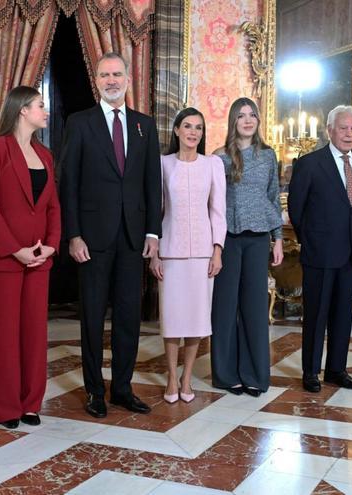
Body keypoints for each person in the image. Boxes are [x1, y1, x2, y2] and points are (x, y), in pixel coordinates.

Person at [59, 52, 162, 418]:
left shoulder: (144, 125)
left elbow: (152, 182)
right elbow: (67, 183)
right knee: (91, 317)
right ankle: (93, 391)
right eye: (105, 75)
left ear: (128, 79)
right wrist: (73, 234)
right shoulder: (80, 122)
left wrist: (153, 231)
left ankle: (122, 388)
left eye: (117, 74)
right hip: (93, 238)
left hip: (134, 237)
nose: (112, 80)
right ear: (96, 80)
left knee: (129, 317)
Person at [0, 86, 60, 428]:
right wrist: (15, 249)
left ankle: (30, 403)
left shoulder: (46, 154)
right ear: (22, 110)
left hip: (40, 257)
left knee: (34, 333)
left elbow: (53, 205)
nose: (46, 110)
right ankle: (7, 407)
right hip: (4, 258)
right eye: (41, 105)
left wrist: (52, 244)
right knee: (4, 335)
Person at [288, 105, 352, 393]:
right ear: (330, 130)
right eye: (343, 128)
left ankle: (337, 369)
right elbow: (296, 209)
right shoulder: (310, 163)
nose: (348, 134)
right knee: (316, 314)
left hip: (351, 253)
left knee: (343, 315)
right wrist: (310, 239)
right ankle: (311, 371)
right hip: (320, 253)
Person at [148, 107, 226, 404]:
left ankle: (186, 377)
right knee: (172, 319)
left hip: (203, 254)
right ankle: (170, 376)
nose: (194, 132)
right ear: (177, 130)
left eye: (199, 128)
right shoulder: (162, 164)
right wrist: (154, 253)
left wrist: (217, 249)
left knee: (195, 319)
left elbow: (217, 210)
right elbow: (156, 211)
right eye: (188, 126)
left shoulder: (213, 165)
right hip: (170, 251)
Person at [210, 97, 284, 397]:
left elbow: (273, 196)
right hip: (227, 237)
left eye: (252, 114)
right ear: (233, 121)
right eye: (241, 116)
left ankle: (255, 374)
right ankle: (226, 374)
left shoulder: (268, 155)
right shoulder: (219, 157)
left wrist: (278, 238)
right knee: (225, 308)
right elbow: (211, 201)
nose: (247, 120)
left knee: (254, 308)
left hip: (258, 238)